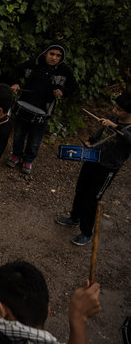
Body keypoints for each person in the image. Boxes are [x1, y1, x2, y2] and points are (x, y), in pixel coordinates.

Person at [56, 92, 131, 246]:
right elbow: (100, 133)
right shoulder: (114, 119)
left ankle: (86, 232)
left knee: (93, 199)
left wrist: (116, 127)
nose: (114, 111)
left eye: (119, 109)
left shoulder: (127, 127)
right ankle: (74, 217)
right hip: (92, 159)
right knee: (81, 189)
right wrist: (91, 141)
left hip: (107, 167)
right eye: (115, 107)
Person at [7, 41, 77, 174]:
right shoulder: (33, 64)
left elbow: (73, 86)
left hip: (44, 111)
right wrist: (15, 83)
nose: (54, 58)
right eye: (52, 54)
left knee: (35, 139)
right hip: (24, 106)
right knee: (18, 134)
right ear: (45, 53)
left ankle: (28, 160)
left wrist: (63, 92)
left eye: (58, 56)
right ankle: (16, 155)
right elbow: (16, 70)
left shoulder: (64, 70)